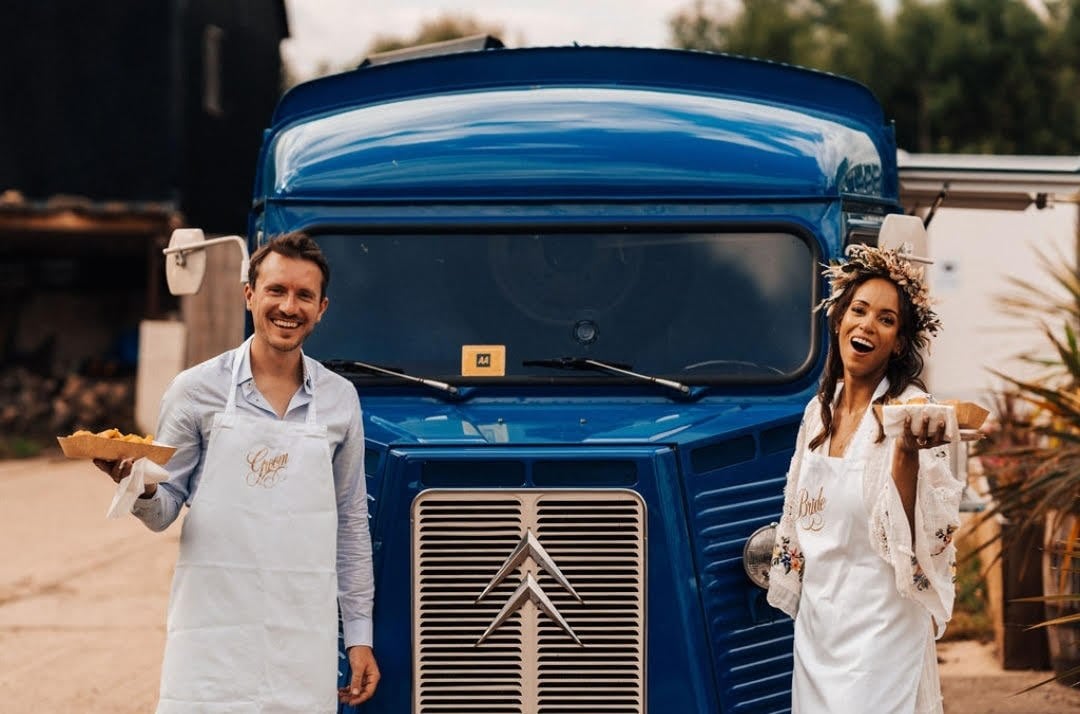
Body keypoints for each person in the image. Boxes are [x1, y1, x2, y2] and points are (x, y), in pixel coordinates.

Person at [95, 232, 379, 712]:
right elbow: (164, 510)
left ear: (321, 308)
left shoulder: (340, 399)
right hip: (212, 632)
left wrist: (358, 636)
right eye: (276, 290)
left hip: (301, 633)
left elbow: (351, 523)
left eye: (304, 295)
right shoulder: (194, 391)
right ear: (249, 294)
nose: (288, 306)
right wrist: (137, 483)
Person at [767, 240, 961, 714]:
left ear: (899, 343)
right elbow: (799, 526)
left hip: (882, 638)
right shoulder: (817, 412)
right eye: (859, 310)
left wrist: (907, 453)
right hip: (818, 635)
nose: (867, 325)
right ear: (838, 319)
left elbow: (919, 538)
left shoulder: (910, 410)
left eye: (886, 319)